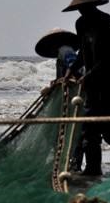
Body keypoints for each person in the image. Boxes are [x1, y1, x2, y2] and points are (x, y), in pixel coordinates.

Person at [63, 0, 110, 176]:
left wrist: (88, 76)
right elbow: (83, 53)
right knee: (89, 128)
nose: (83, 10)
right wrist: (71, 71)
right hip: (93, 81)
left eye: (86, 6)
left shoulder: (107, 22)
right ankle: (93, 168)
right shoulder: (80, 24)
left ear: (93, 4)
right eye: (80, 8)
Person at [34, 28, 84, 170]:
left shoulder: (65, 49)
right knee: (70, 132)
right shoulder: (62, 53)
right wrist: (53, 85)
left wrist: (62, 82)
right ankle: (72, 163)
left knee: (68, 131)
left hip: (73, 97)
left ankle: (72, 163)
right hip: (69, 97)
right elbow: (64, 76)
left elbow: (76, 70)